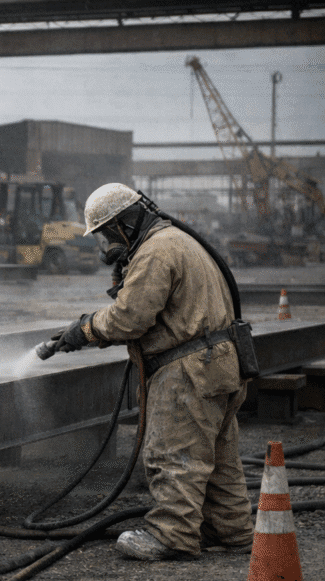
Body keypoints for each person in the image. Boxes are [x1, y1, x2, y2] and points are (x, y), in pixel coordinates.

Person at [50, 183, 253, 561]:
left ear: (123, 224)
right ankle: (232, 529)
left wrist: (85, 329)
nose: (107, 243)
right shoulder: (176, 240)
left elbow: (129, 319)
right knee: (219, 457)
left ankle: (173, 535)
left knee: (173, 453)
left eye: (108, 234)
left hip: (187, 369)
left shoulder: (156, 251)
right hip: (222, 363)